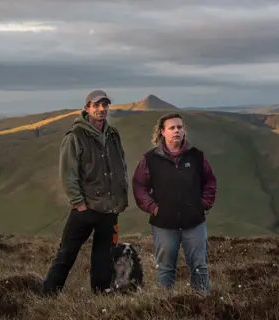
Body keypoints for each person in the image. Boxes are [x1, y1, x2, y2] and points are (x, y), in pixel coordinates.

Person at [42, 89, 128, 297]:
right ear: (87, 108)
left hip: (109, 209)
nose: (101, 109)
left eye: (105, 105)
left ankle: (100, 296)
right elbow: (67, 174)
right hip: (85, 209)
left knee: (103, 257)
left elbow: (121, 165)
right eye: (96, 105)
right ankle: (48, 295)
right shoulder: (75, 136)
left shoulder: (113, 135)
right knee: (66, 254)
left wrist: (120, 197)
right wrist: (79, 204)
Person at [132, 112, 217, 295]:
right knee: (165, 269)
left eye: (179, 127)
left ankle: (203, 305)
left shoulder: (197, 156)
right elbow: (139, 187)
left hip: (194, 222)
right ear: (162, 132)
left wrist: (204, 204)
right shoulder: (150, 159)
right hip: (164, 224)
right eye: (172, 128)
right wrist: (154, 209)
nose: (177, 131)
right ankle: (164, 307)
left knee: (199, 267)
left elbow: (210, 181)